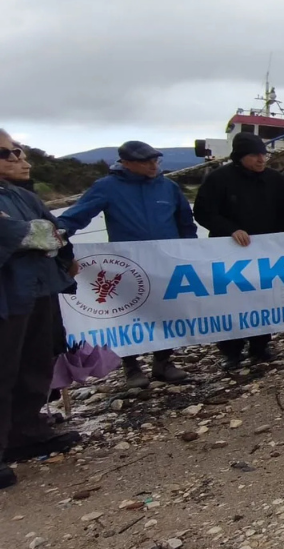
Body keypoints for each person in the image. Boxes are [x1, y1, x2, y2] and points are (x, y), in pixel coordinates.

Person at [57, 141, 196, 387]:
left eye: (156, 161)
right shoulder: (107, 187)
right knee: (126, 313)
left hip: (168, 261)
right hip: (127, 264)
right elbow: (77, 215)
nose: (154, 166)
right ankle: (131, 367)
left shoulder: (169, 187)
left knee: (168, 310)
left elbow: (185, 221)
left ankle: (163, 362)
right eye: (147, 162)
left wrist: (190, 249)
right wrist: (56, 235)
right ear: (126, 163)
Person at [0, 131, 80, 488]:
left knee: (35, 361)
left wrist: (59, 249)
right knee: (3, 369)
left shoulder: (20, 195)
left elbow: (55, 230)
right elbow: (23, 234)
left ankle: (25, 432)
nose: (19, 159)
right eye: (8, 153)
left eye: (18, 151)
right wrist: (43, 236)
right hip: (8, 294)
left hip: (38, 288)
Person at [193, 132, 284, 368]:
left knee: (263, 298)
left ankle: (260, 345)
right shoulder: (219, 179)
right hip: (230, 251)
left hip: (265, 252)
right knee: (232, 302)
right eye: (255, 155)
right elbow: (203, 212)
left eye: (264, 154)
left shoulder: (274, 180)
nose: (262, 159)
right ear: (240, 156)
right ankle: (231, 351)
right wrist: (230, 229)